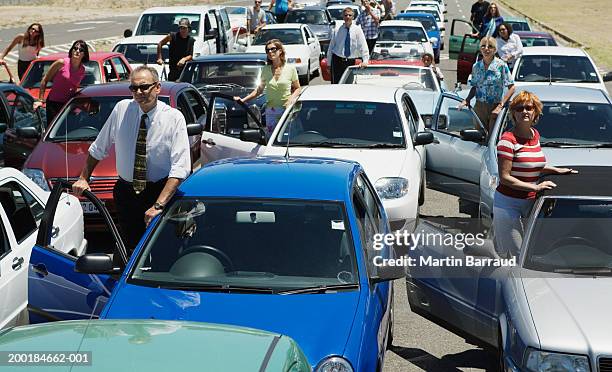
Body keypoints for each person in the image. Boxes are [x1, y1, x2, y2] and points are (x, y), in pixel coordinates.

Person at [72, 66, 191, 252]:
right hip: (126, 193)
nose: (138, 92)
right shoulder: (121, 110)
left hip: (159, 193)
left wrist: (158, 205)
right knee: (131, 248)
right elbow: (98, 148)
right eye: (134, 88)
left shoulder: (174, 118)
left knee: (162, 248)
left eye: (144, 87)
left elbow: (180, 168)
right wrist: (84, 178)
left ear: (158, 87)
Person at [494, 91, 577, 258]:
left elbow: (531, 166)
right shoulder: (507, 140)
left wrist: (555, 170)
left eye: (529, 108)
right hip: (508, 205)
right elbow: (505, 177)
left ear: (536, 112)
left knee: (531, 253)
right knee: (516, 254)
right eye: (519, 108)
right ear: (513, 114)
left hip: (531, 203)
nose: (524, 111)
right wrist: (535, 186)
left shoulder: (535, 135)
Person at [234, 39, 300, 135]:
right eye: (267, 50)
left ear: (280, 51)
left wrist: (291, 98)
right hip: (271, 111)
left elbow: (298, 88)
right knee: (271, 138)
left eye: (273, 49)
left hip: (287, 110)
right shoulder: (265, 70)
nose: (270, 52)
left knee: (289, 138)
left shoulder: (290, 69)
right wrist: (243, 100)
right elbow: (258, 90)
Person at [460, 36, 514, 133]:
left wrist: (501, 105)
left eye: (490, 46)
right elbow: (475, 87)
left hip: (495, 106)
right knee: (480, 137)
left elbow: (512, 87)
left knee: (492, 137)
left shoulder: (501, 65)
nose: (486, 49)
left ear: (495, 49)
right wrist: (467, 99)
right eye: (483, 46)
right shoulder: (476, 66)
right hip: (480, 107)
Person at [33, 40, 88, 126]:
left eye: (81, 50)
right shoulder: (61, 63)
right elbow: (45, 80)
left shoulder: (82, 70)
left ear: (84, 55)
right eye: (75, 48)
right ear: (72, 50)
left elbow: (74, 88)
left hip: (68, 104)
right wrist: (40, 100)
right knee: (52, 128)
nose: (77, 51)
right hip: (53, 103)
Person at [327, 7, 369, 84]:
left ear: (353, 17)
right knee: (336, 85)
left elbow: (363, 46)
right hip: (337, 61)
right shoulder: (337, 30)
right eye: (346, 15)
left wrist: (365, 60)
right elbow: (331, 48)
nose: (348, 17)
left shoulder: (357, 30)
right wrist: (329, 64)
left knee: (349, 85)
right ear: (343, 17)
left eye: (350, 15)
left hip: (350, 62)